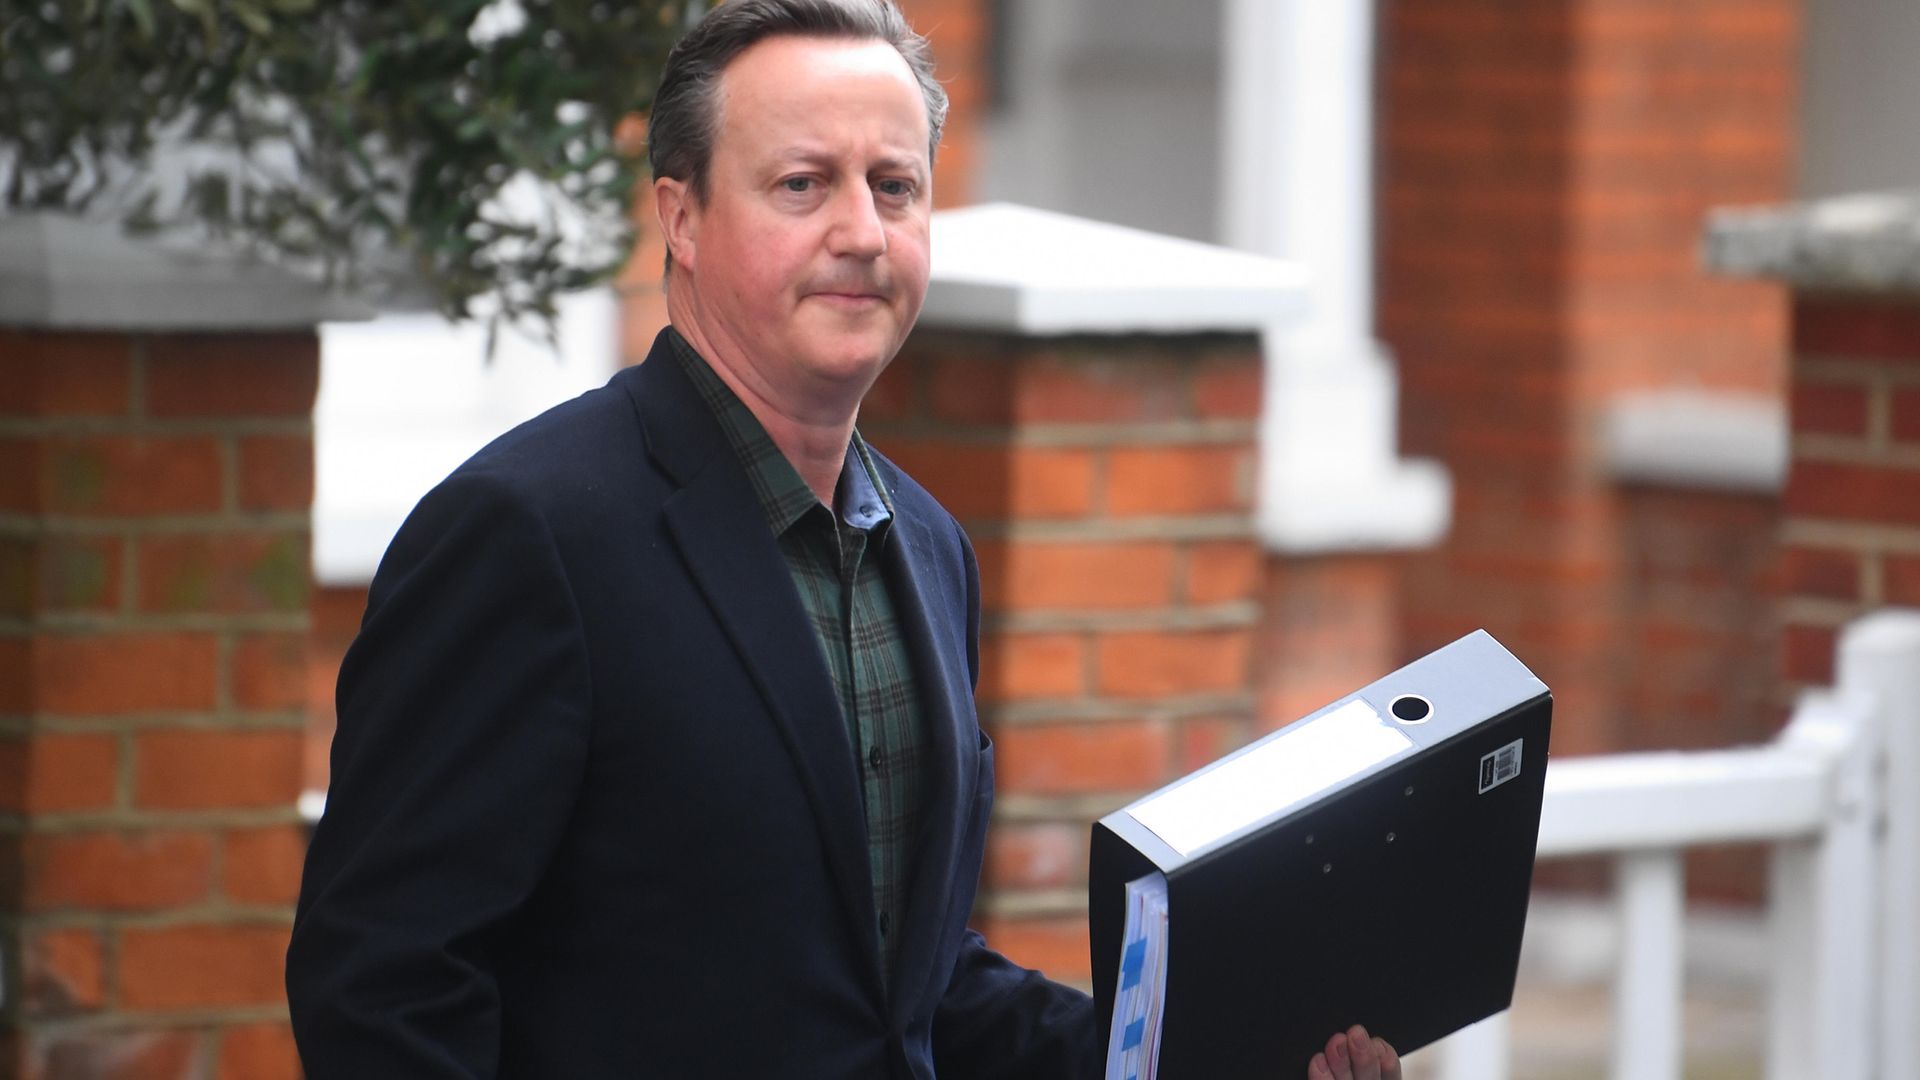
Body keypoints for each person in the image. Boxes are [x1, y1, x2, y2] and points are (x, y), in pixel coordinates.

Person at [285, 2, 1400, 1077]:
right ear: (680, 218)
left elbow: (909, 995)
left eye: (894, 187)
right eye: (803, 184)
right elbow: (383, 985)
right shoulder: (527, 534)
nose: (860, 233)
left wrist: (1204, 1051)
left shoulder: (928, 548)